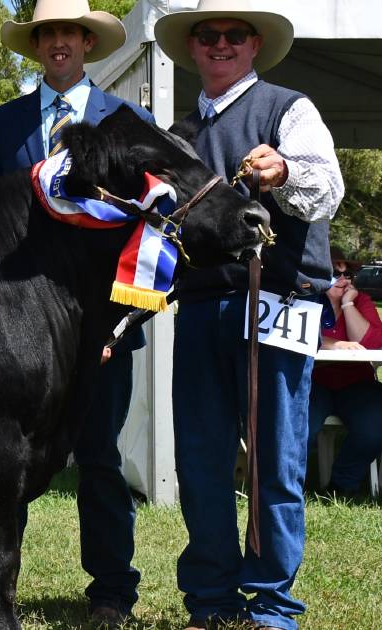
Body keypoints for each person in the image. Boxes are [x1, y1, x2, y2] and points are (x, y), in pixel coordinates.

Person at [154, 0, 344, 628]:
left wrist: (284, 167)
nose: (220, 44)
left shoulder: (289, 109)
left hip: (278, 302)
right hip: (203, 306)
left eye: (234, 35)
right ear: (192, 47)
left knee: (275, 458)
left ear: (255, 43)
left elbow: (326, 189)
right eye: (207, 35)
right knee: (201, 460)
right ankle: (210, 598)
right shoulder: (178, 137)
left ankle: (271, 604)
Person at [0, 1, 154, 626]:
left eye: (69, 34)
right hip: (17, 331)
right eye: (47, 34)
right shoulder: (0, 127)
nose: (58, 44)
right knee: (5, 456)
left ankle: (111, 592)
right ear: (37, 46)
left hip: (101, 326)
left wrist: (122, 322)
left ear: (87, 42)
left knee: (100, 456)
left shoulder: (130, 122)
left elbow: (148, 237)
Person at [307, 247, 382, 498]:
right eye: (335, 273)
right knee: (300, 425)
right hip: (312, 381)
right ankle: (291, 483)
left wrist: (347, 305)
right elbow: (299, 338)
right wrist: (333, 344)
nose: (343, 280)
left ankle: (342, 484)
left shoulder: (361, 302)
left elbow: (371, 342)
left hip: (356, 382)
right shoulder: (305, 300)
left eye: (348, 275)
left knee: (379, 423)